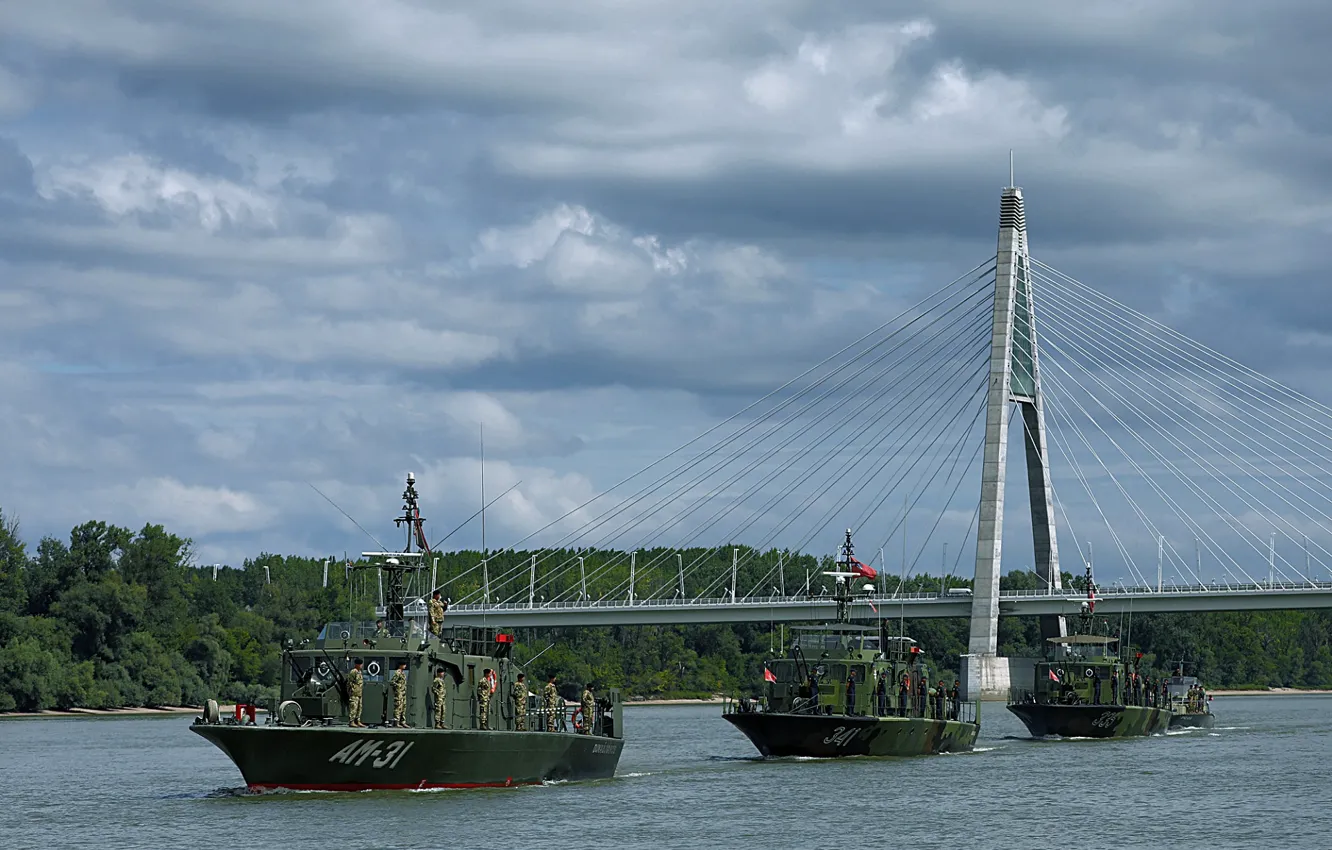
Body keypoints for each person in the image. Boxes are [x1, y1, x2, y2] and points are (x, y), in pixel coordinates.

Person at [347, 658, 365, 728]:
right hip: (354, 693)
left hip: (359, 693)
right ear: (357, 664)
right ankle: (351, 721)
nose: (361, 665)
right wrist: (351, 691)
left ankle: (358, 721)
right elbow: (350, 682)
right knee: (353, 707)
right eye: (360, 664)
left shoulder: (359, 672)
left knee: (359, 708)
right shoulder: (353, 671)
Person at [390, 661, 409, 727]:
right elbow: (392, 682)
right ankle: (396, 722)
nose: (405, 666)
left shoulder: (402, 673)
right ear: (400, 665)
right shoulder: (397, 673)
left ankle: (403, 722)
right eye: (404, 665)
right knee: (398, 707)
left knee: (403, 707)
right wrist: (398, 686)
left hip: (403, 692)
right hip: (399, 693)